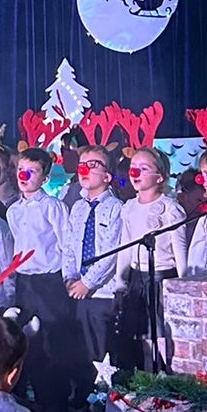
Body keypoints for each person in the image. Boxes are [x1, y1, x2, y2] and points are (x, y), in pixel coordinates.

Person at [5, 148, 77, 412]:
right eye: (21, 169)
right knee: (28, 343)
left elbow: (66, 244)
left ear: (45, 178)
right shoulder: (13, 210)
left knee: (52, 344)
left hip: (49, 283)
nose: (24, 176)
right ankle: (32, 399)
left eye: (32, 171)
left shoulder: (53, 207)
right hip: (25, 283)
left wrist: (68, 277)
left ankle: (56, 406)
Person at [110, 146, 189, 371]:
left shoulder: (170, 209)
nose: (135, 173)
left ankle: (164, 376)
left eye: (143, 168)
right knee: (139, 337)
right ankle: (145, 378)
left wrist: (183, 285)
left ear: (160, 177)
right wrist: (120, 285)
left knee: (161, 336)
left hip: (162, 278)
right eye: (133, 167)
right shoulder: (129, 208)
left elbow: (180, 250)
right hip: (137, 280)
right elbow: (125, 248)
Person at [62, 146, 131, 382]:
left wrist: (88, 283)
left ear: (107, 176)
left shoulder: (115, 208)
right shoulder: (77, 208)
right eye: (82, 164)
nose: (85, 169)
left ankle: (107, 398)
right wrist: (70, 277)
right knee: (84, 354)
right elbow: (69, 246)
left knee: (104, 353)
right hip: (78, 291)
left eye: (93, 165)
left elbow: (111, 253)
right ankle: (85, 397)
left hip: (103, 293)